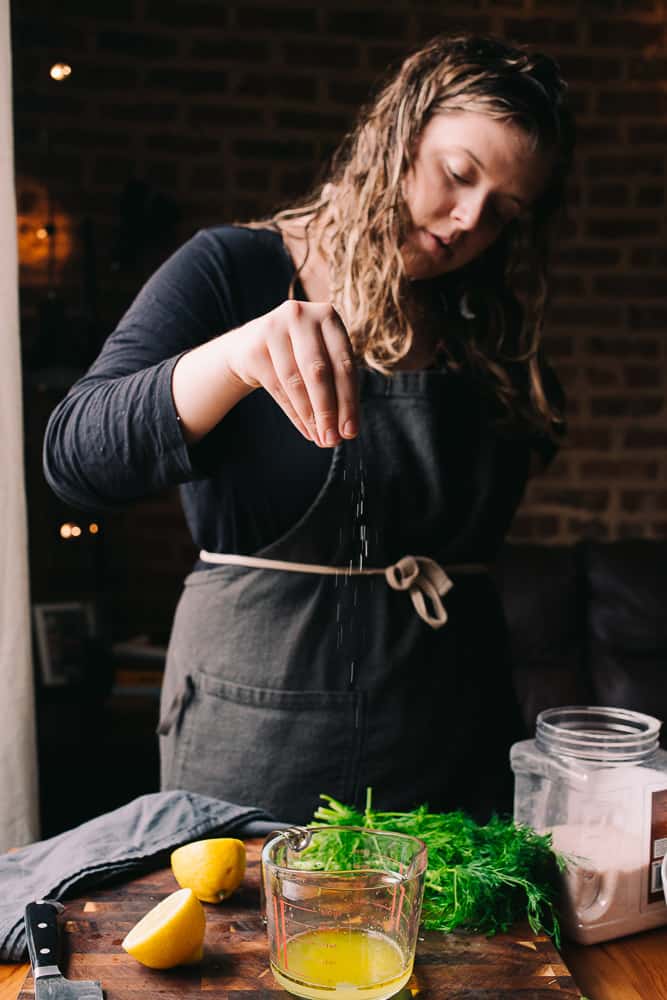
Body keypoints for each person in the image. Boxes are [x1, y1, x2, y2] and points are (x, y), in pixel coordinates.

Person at [43, 33, 574, 825]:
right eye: (457, 174)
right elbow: (75, 456)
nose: (467, 220)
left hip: (447, 736)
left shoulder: (480, 322)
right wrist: (231, 359)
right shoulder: (233, 269)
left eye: (502, 212)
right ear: (397, 133)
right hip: (258, 735)